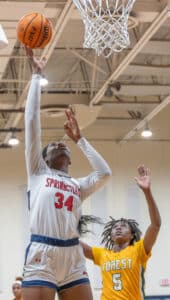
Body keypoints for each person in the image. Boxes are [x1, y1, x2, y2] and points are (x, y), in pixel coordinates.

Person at [22, 46, 112, 300]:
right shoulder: (38, 173)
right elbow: (31, 123)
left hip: (73, 255)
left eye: (63, 145)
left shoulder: (77, 184)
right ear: (44, 158)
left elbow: (105, 173)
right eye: (52, 146)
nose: (60, 144)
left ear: (70, 160)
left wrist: (81, 140)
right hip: (43, 252)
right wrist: (36, 77)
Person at [81, 165, 161, 300]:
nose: (118, 228)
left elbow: (155, 225)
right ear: (110, 235)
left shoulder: (139, 250)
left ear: (131, 235)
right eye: (115, 227)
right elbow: (74, 244)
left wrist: (147, 192)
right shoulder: (102, 254)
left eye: (123, 226)